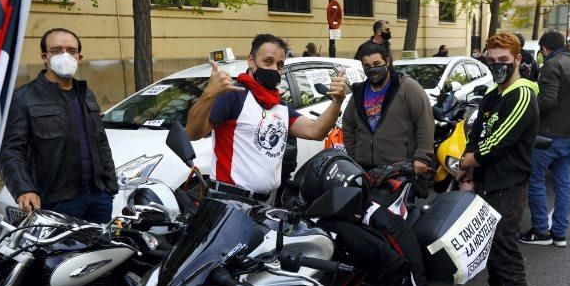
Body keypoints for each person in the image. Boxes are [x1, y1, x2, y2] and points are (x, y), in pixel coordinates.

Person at [185, 34, 346, 203]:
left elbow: (316, 131)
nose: (274, 69)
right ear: (251, 61)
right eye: (268, 61)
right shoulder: (234, 95)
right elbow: (192, 133)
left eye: (279, 65)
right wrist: (209, 94)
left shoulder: (280, 106)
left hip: (265, 204)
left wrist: (337, 101)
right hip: (229, 202)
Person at [457, 32, 539, 286]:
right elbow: (477, 132)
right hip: (489, 181)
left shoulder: (521, 95)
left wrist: (468, 161)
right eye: (491, 61)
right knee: (489, 241)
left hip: (510, 183)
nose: (498, 66)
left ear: (518, 59)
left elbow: (498, 142)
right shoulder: (494, 92)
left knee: (506, 248)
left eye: (504, 61)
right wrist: (470, 169)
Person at [0, 28, 118, 224]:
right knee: (62, 254)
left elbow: (101, 142)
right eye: (56, 50)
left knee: (100, 253)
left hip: (98, 198)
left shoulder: (86, 94)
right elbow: (10, 151)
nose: (65, 55)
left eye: (71, 51)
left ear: (79, 57)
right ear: (45, 57)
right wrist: (24, 189)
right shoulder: (23, 98)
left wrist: (109, 186)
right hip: (55, 202)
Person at [519, 31, 570, 247]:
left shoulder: (552, 65)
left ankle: (541, 232)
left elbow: (547, 99)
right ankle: (559, 233)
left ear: (544, 48)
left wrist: (526, 111)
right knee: (563, 185)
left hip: (547, 135)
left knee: (536, 182)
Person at [342, 43, 434, 176]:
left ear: (387, 61)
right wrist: (353, 155)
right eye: (367, 66)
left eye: (377, 63)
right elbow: (348, 124)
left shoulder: (407, 87)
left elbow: (425, 122)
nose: (372, 69)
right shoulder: (359, 92)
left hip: (399, 169)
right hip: (364, 169)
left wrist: (422, 157)